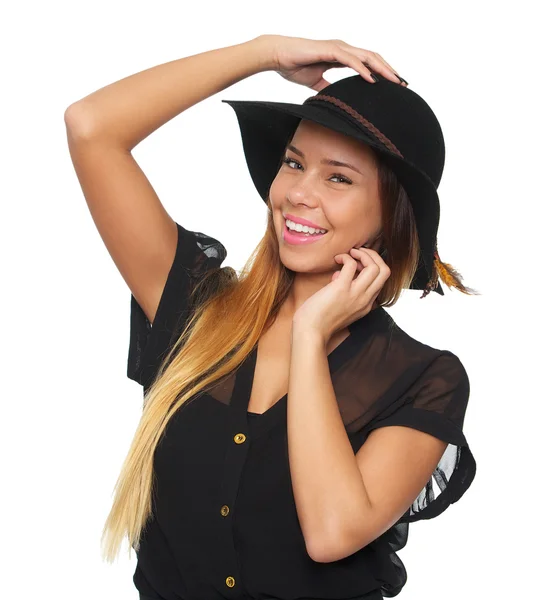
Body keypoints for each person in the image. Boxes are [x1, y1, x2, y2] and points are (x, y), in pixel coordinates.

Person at [65, 34, 478, 600]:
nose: (297, 194)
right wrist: (265, 53)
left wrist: (310, 337)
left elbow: (332, 534)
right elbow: (92, 127)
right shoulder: (192, 305)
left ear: (390, 214)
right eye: (293, 163)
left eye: (338, 177)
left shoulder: (423, 379)